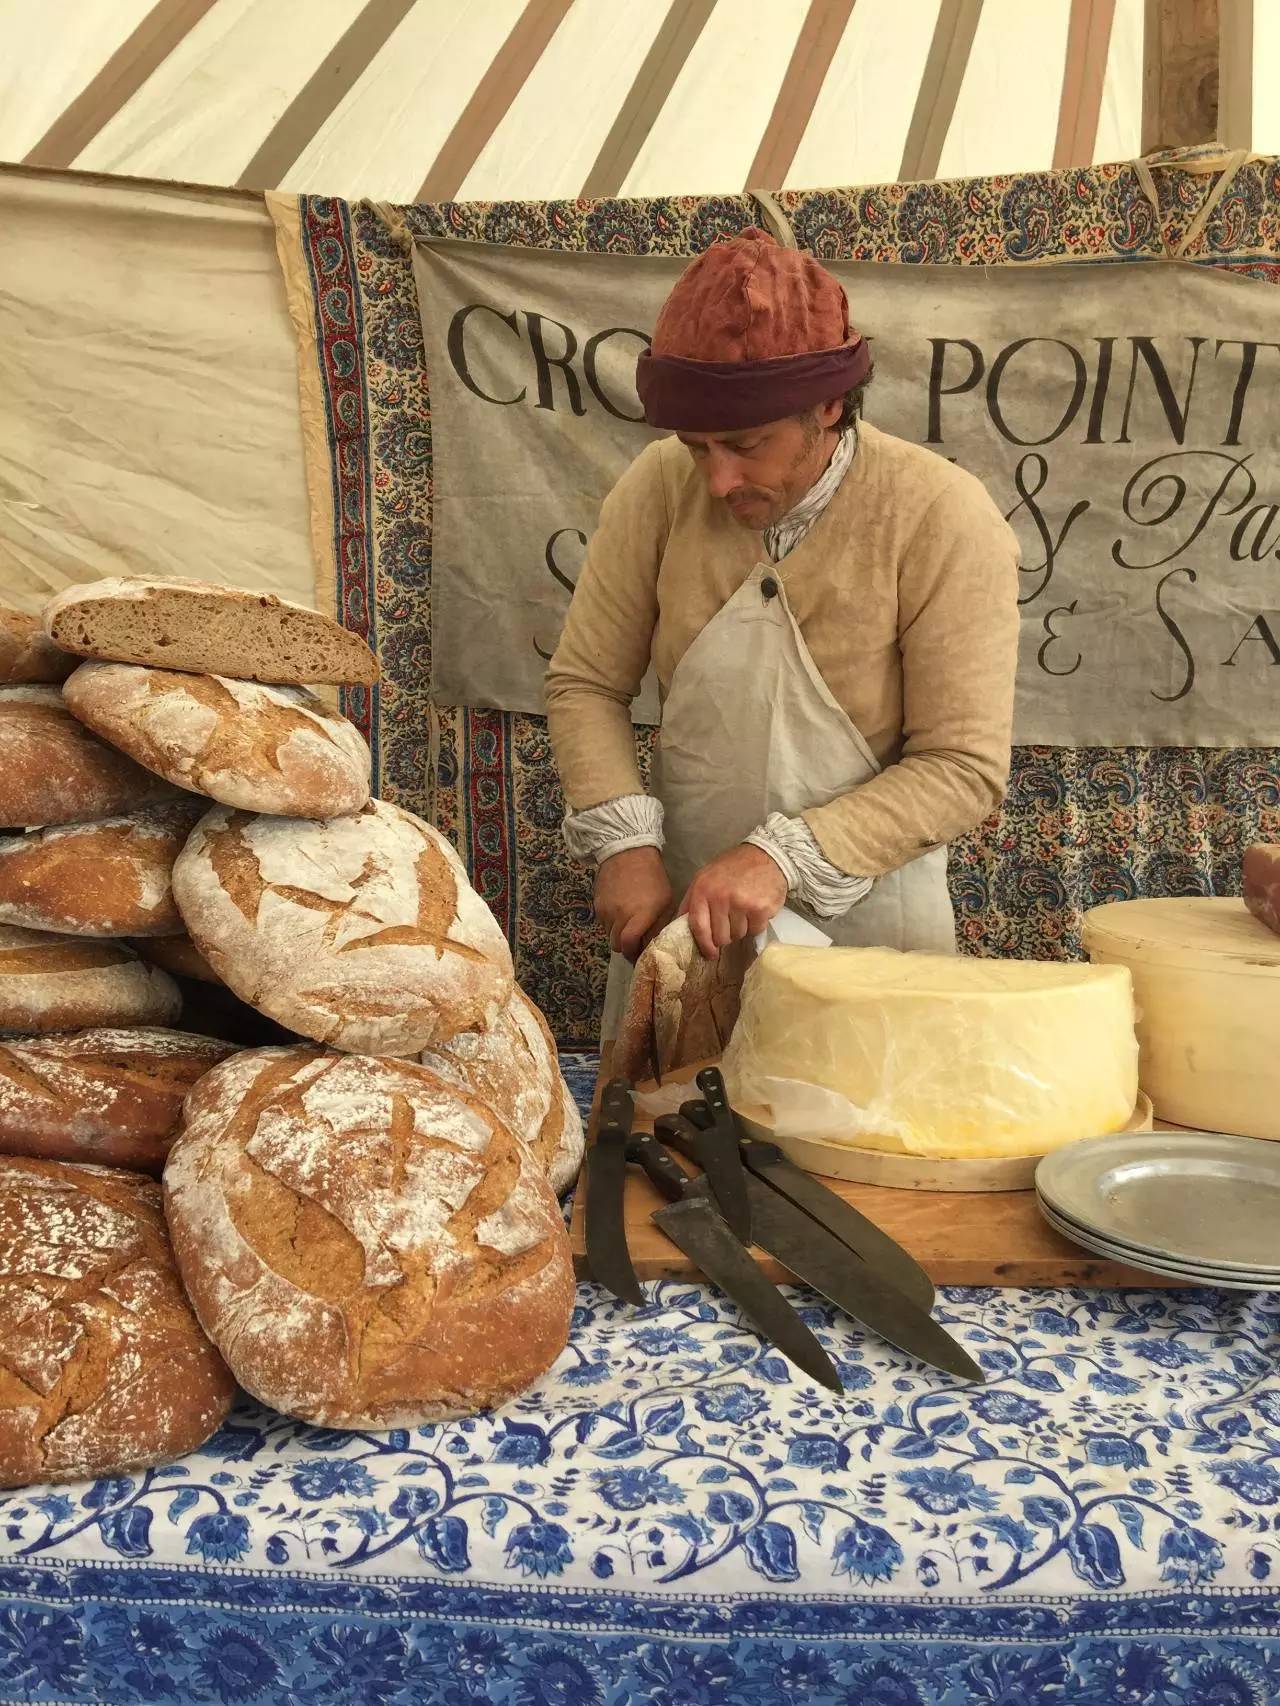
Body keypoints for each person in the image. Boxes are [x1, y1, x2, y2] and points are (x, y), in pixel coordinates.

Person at [546, 229, 1020, 1043]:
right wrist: (623, 841)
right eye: (697, 447)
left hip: (869, 940)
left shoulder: (939, 513)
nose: (718, 480)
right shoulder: (658, 488)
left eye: (745, 444)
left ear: (828, 407)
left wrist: (783, 856)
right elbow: (586, 682)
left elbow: (963, 767)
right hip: (686, 925)